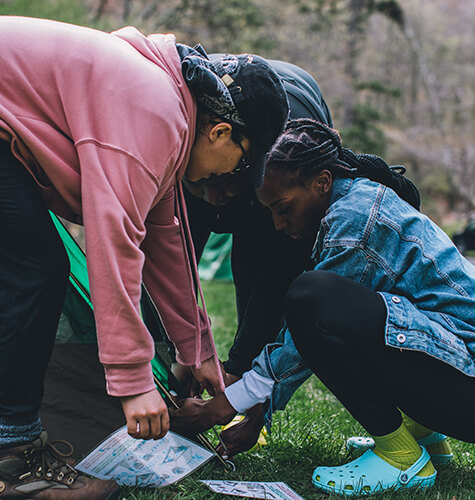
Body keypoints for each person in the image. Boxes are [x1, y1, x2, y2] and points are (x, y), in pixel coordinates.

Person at [0, 15, 288, 499]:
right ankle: (17, 462)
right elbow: (114, 242)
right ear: (219, 132)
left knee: (17, 278)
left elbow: (164, 237)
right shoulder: (155, 112)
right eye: (242, 160)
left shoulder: (169, 104)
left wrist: (199, 352)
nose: (231, 176)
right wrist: (133, 382)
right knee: (34, 274)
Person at [170, 119, 475, 496]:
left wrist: (223, 407)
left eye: (282, 207)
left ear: (322, 182)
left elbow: (306, 327)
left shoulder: (354, 221)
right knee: (323, 305)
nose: (278, 224)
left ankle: (400, 457)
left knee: (310, 296)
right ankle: (424, 438)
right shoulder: (349, 202)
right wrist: (260, 405)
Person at [143, 57, 333, 389]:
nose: (216, 198)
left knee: (257, 262)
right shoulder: (179, 143)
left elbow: (277, 276)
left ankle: (244, 380)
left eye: (225, 183)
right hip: (213, 137)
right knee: (168, 256)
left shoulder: (276, 169)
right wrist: (181, 354)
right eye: (208, 185)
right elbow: (161, 268)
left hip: (278, 132)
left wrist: (238, 373)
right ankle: (162, 373)